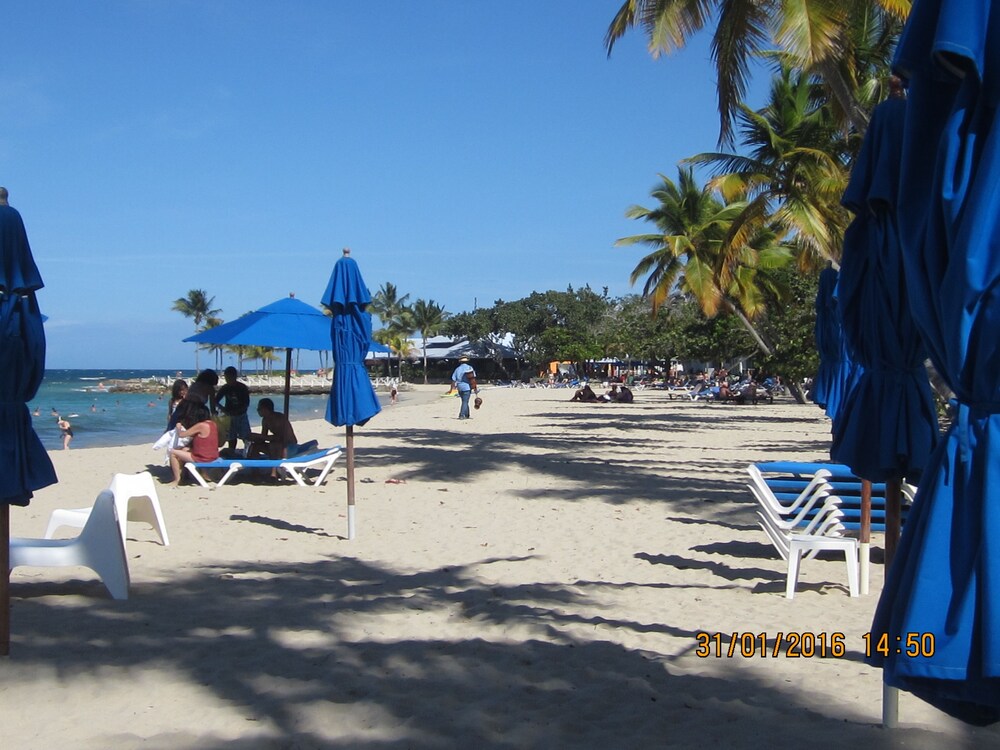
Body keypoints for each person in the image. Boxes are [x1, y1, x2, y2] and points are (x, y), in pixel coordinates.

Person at [167, 404, 219, 487]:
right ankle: (185, 476)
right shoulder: (213, 424)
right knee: (184, 449)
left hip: (203, 458)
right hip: (213, 455)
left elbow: (182, 435)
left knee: (173, 452)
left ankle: (176, 480)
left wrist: (178, 427)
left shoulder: (201, 425)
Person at [247, 397, 299, 463]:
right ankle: (255, 470)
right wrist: (253, 438)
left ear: (266, 409)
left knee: (273, 445)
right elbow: (263, 437)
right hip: (279, 446)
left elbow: (278, 438)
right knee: (255, 446)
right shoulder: (265, 420)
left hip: (289, 447)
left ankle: (274, 471)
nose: (257, 410)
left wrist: (257, 435)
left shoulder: (279, 418)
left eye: (259, 408)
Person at [215, 366, 252, 450]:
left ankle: (249, 452)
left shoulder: (242, 387)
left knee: (246, 436)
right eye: (226, 378)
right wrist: (223, 409)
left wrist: (239, 411)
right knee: (231, 438)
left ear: (235, 376)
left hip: (241, 415)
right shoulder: (225, 388)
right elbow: (215, 401)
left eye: (229, 377)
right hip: (230, 416)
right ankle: (232, 452)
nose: (228, 380)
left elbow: (246, 403)